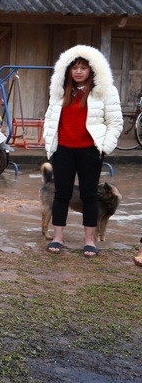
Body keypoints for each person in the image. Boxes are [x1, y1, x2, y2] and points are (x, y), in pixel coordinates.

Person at [42, 45, 122, 257]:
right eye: (74, 67)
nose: (78, 71)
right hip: (63, 150)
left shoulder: (105, 91)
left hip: (89, 151)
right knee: (62, 194)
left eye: (83, 67)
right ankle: (57, 238)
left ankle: (89, 241)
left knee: (89, 196)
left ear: (92, 69)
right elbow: (50, 118)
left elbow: (115, 121)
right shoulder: (60, 92)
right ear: (67, 70)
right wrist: (49, 142)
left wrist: (105, 146)